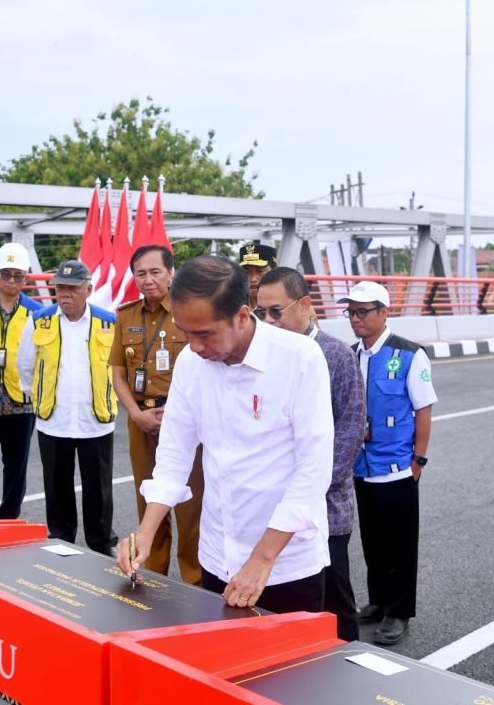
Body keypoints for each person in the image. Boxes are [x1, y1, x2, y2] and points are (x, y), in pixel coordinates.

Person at [118, 256, 334, 614]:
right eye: (186, 332)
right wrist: (145, 531)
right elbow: (174, 454)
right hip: (218, 555)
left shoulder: (300, 358)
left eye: (204, 333)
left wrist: (262, 561)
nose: (195, 346)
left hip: (284, 564)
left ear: (242, 316)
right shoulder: (191, 362)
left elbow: (313, 472)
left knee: (288, 668)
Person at [256, 267, 365, 640]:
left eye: (276, 311)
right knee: (287, 602)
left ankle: (350, 668)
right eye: (261, 313)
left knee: (334, 598)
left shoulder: (336, 355)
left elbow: (350, 432)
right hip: (276, 505)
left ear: (304, 305)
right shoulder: (266, 355)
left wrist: (308, 489)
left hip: (325, 505)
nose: (268, 321)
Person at [338, 280, 437, 646]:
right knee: (373, 543)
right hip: (360, 469)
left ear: (384, 312)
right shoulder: (350, 354)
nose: (355, 319)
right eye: (351, 312)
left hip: (396, 467)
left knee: (399, 544)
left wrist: (419, 460)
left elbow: (423, 409)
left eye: (363, 312)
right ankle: (378, 601)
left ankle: (398, 612)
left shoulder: (409, 354)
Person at [110, 244, 203, 585]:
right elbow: (118, 373)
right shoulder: (127, 315)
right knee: (148, 501)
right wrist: (134, 415)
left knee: (190, 508)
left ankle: (195, 584)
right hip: (141, 421)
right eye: (140, 274)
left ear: (170, 273)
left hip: (183, 423)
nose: (147, 280)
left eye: (155, 272)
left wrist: (176, 414)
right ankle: (151, 577)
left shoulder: (188, 311)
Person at [18, 260, 119, 556]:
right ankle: (61, 540)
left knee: (98, 489)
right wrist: (36, 397)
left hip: (96, 420)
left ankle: (102, 544)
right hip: (54, 420)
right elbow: (25, 366)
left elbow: (120, 367)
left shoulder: (108, 321)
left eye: (72, 288)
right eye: (60, 287)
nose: (65, 294)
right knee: (57, 485)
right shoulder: (40, 320)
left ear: (88, 289)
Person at [0, 242, 43, 519]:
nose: (11, 280)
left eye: (17, 275)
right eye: (6, 274)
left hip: (21, 401)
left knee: (17, 466)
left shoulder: (37, 312)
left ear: (26, 277)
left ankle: (9, 517)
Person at [238, 241, 278, 307]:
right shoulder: (234, 308)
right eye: (247, 272)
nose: (253, 279)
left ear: (274, 271)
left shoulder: (286, 306)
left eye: (260, 271)